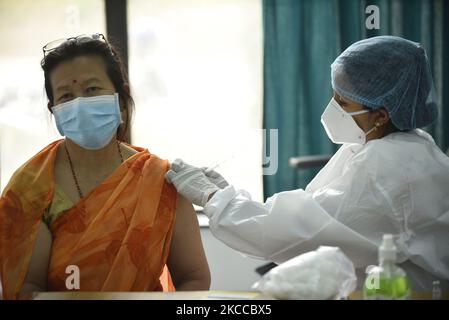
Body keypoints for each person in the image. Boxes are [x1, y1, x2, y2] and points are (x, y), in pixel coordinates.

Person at [166, 36, 449, 292]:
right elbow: (311, 210)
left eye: (343, 101)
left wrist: (215, 198)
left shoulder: (388, 167)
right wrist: (229, 194)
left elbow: (299, 233)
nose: (332, 107)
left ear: (381, 114)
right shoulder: (398, 146)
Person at [0, 34, 210, 300]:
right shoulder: (31, 188)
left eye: (91, 90)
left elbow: (194, 278)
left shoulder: (161, 180)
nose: (79, 103)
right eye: (66, 95)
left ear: (120, 98)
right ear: (53, 111)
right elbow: (26, 289)